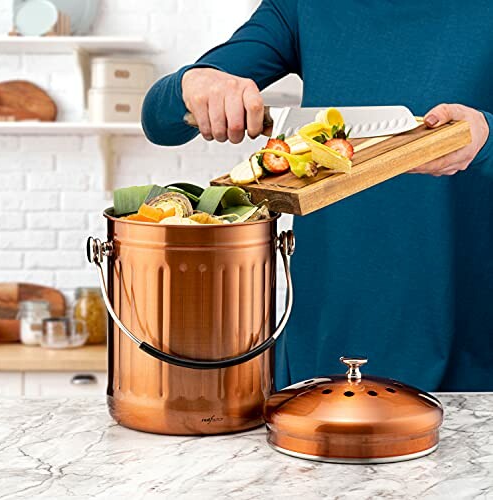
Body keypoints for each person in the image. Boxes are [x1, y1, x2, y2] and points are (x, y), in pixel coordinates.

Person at [142, 0, 492, 391]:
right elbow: (160, 120)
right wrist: (197, 84)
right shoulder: (303, 5)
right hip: (320, 354)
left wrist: (486, 138)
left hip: (471, 363)